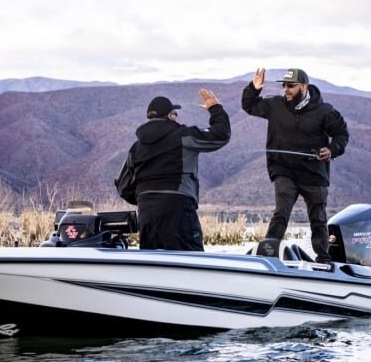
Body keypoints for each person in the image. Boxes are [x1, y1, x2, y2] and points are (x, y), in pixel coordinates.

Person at [241, 67, 349, 263]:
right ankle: (267, 254)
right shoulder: (275, 105)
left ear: (304, 86)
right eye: (284, 85)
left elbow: (341, 134)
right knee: (281, 212)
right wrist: (254, 88)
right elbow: (249, 105)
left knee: (318, 218)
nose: (286, 89)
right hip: (284, 170)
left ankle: (323, 259)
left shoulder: (325, 111)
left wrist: (332, 150)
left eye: (291, 85)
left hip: (314, 173)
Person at [129, 89, 230, 251]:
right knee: (190, 261)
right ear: (170, 116)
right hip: (179, 209)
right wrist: (215, 108)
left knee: (153, 263)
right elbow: (221, 135)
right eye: (175, 113)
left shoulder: (135, 148)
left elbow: (123, 186)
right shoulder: (183, 136)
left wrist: (146, 198)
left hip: (147, 214)